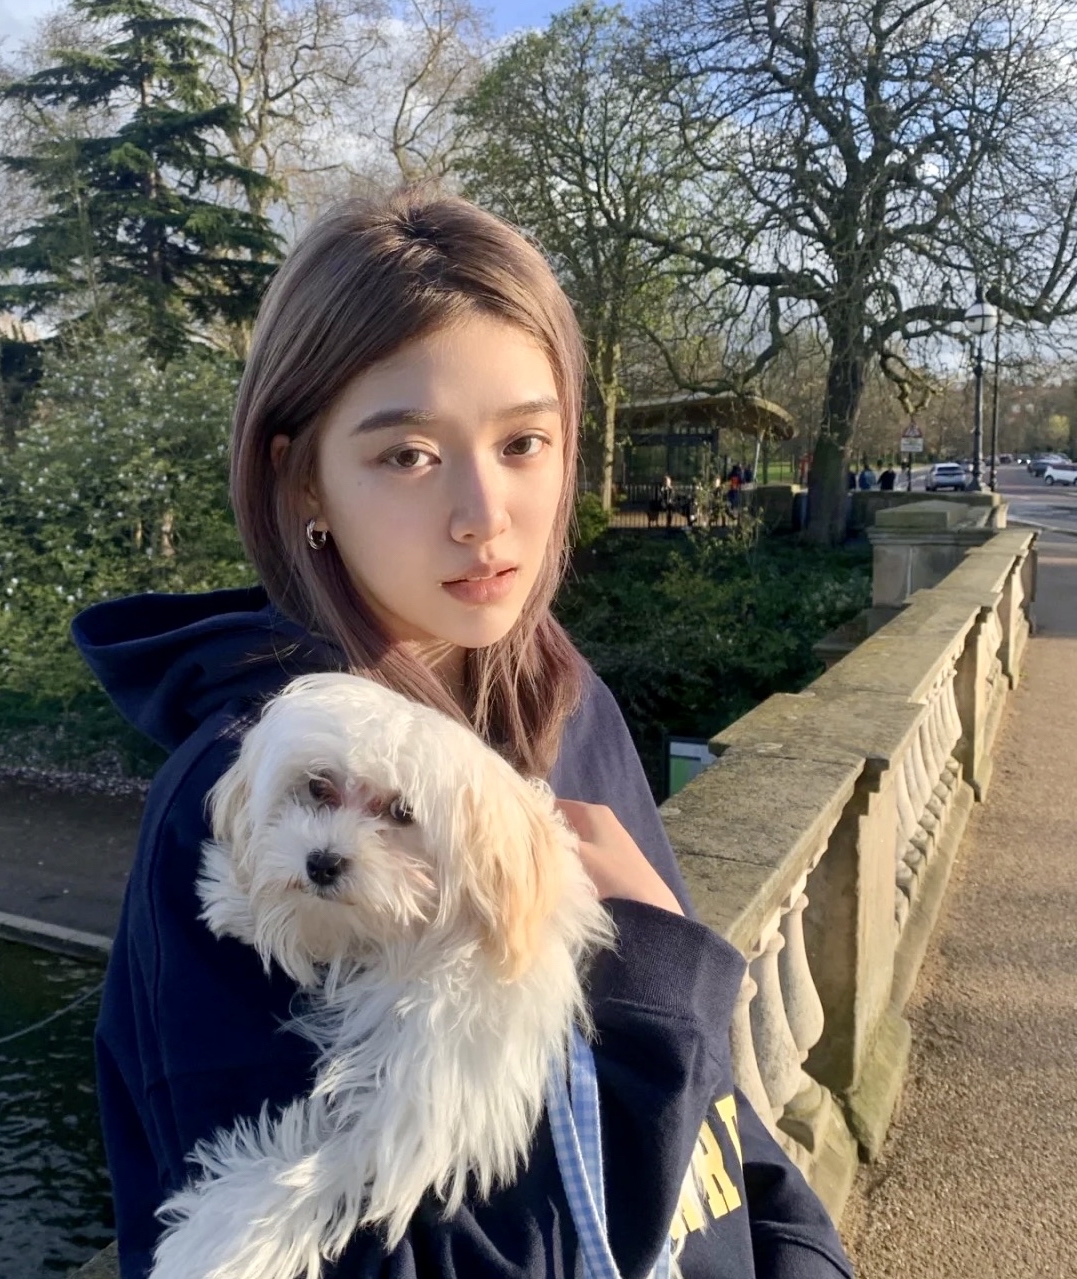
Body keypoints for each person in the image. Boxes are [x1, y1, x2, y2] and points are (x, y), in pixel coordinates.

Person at [72, 187, 855, 1279]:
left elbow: (721, 1123)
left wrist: (808, 1254)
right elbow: (321, 1243)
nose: (484, 514)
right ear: (302, 478)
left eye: (524, 440)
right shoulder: (257, 804)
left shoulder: (566, 702)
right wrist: (652, 978)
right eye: (407, 455)